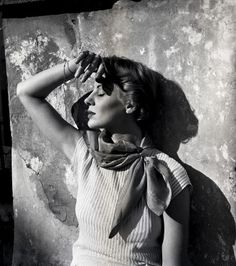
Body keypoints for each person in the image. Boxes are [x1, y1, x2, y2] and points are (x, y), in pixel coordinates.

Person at [17, 50, 194, 266]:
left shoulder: (168, 172)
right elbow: (26, 93)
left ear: (129, 105)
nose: (88, 100)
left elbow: (174, 263)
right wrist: (73, 68)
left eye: (100, 93)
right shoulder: (85, 153)